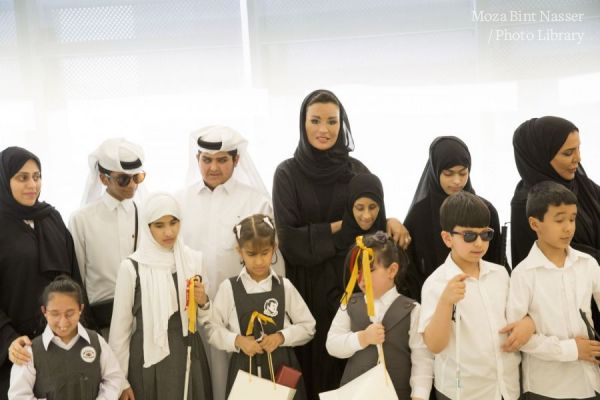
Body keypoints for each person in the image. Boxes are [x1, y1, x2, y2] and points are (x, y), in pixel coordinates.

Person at [272, 89, 410, 399]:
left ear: (342, 123)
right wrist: (342, 226)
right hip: (306, 290)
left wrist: (391, 220)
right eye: (315, 120)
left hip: (356, 283)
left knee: (357, 371)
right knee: (313, 369)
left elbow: (373, 223)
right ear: (302, 124)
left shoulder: (356, 170)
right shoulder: (287, 174)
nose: (324, 129)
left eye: (332, 121)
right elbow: (290, 241)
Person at [177, 125, 283, 400]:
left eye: (222, 159)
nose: (213, 167)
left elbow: (271, 262)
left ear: (236, 160)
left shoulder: (256, 201)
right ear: (197, 159)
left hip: (243, 316)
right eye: (206, 159)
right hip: (193, 313)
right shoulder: (180, 201)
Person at [418, 191, 532, 400]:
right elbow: (434, 345)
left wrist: (528, 324)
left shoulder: (500, 274)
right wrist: (445, 302)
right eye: (469, 236)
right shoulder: (436, 284)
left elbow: (520, 313)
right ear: (447, 238)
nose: (479, 243)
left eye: (486, 234)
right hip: (463, 393)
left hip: (507, 388)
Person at [0, 146, 87, 399]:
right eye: (22, 177)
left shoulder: (52, 218)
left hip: (62, 340)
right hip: (19, 350)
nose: (32, 184)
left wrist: (80, 328)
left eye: (36, 176)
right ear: (5, 180)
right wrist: (8, 340)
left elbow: (74, 279)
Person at [109, 192, 212, 400]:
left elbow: (207, 319)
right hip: (149, 356)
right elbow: (120, 331)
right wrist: (120, 381)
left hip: (188, 351)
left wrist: (204, 302)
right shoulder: (132, 267)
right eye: (159, 225)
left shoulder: (193, 259)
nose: (168, 231)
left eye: (173, 222)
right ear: (147, 228)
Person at [507, 181, 600, 399]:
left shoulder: (587, 264)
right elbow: (516, 337)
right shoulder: (524, 274)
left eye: (572, 218)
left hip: (589, 382)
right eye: (559, 220)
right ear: (534, 223)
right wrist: (571, 350)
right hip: (546, 388)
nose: (568, 227)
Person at [207, 214, 315, 399]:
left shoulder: (284, 286)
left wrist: (281, 337)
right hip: (244, 371)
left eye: (264, 253)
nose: (259, 261)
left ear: (274, 249)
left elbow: (308, 327)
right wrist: (237, 341)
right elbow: (211, 329)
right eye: (251, 254)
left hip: (282, 371)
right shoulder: (229, 288)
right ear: (239, 251)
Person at [327, 231, 433, 399]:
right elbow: (332, 344)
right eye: (358, 272)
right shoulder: (349, 303)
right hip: (354, 394)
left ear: (392, 270)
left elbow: (422, 359)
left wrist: (419, 395)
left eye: (369, 271)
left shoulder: (412, 309)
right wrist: (362, 338)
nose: (361, 280)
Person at [404, 136, 503, 302]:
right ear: (435, 172)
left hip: (483, 297)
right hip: (434, 300)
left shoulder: (485, 210)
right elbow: (411, 270)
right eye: (448, 174)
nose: (457, 181)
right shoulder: (420, 214)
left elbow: (496, 259)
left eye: (463, 173)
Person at [69, 138, 146, 336]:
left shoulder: (145, 214)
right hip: (102, 321)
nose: (132, 186)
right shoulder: (81, 219)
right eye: (123, 179)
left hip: (142, 318)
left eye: (136, 177)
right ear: (104, 179)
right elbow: (77, 276)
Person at [8, 276, 123, 400]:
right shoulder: (30, 352)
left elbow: (114, 378)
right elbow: (17, 395)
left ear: (81, 309)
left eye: (69, 313)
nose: (63, 322)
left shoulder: (96, 342)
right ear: (44, 311)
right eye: (55, 314)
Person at [511, 116, 600, 268]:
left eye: (578, 148)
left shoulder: (582, 185)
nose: (578, 158)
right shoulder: (526, 203)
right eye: (568, 153)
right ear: (541, 157)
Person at [328, 173, 388, 310]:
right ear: (350, 206)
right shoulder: (336, 246)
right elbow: (331, 296)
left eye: (372, 207)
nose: (367, 216)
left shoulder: (389, 243)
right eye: (360, 208)